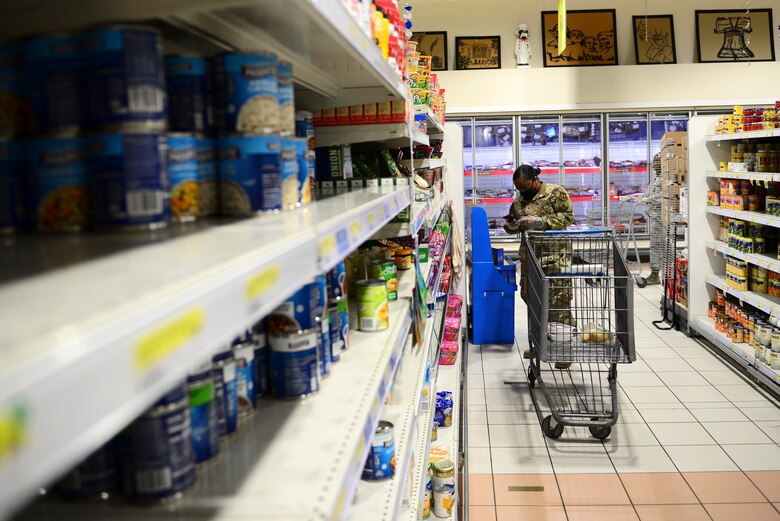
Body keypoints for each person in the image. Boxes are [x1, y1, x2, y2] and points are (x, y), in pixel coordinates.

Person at [503, 165, 575, 367]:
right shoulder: (519, 199)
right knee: (531, 299)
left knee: (558, 302)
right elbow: (515, 221)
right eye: (519, 189)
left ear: (535, 180)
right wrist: (511, 226)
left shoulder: (555, 192)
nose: (522, 192)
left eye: (525, 187)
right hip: (529, 258)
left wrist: (540, 221)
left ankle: (564, 351)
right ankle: (539, 343)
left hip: (554, 257)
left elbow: (568, 217)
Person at [643, 153, 663, 285]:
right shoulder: (656, 179)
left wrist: (646, 199)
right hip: (655, 217)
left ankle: (655, 274)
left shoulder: (666, 179)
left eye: (658, 161)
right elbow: (648, 194)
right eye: (654, 161)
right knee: (655, 246)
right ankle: (655, 273)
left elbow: (661, 197)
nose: (655, 163)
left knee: (657, 246)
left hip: (661, 218)